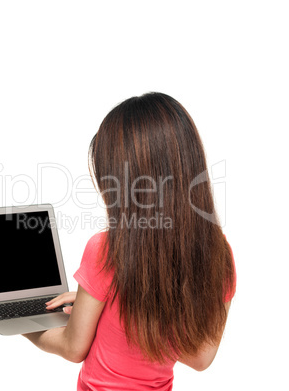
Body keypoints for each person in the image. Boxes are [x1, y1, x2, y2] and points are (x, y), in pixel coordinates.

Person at [23, 92, 237, 390]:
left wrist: (23, 325)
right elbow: (200, 357)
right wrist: (113, 302)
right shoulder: (218, 253)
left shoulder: (105, 250)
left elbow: (73, 348)